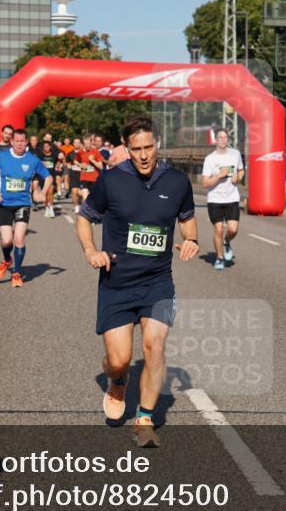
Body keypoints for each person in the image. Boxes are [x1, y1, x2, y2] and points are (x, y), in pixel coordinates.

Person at [76, 115, 198, 448]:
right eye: (136, 149)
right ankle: (117, 383)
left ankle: (144, 417)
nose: (143, 155)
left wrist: (191, 240)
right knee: (119, 361)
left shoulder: (176, 181)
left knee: (154, 346)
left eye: (149, 147)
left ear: (157, 143)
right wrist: (91, 250)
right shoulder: (112, 180)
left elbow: (188, 221)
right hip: (117, 283)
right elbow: (85, 218)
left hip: (158, 282)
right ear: (126, 148)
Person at [0, 128, 52, 287]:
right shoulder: (2, 156)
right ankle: (7, 260)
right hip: (4, 203)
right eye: (17, 141)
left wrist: (42, 192)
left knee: (19, 238)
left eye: (23, 141)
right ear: (12, 142)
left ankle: (17, 272)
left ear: (27, 142)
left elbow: (48, 177)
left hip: (23, 203)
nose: (20, 144)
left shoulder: (32, 159)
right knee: (7, 241)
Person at [201, 128, 244, 270]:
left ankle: (227, 242)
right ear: (216, 140)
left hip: (232, 197)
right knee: (218, 229)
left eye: (225, 137)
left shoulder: (235, 154)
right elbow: (205, 183)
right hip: (215, 199)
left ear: (228, 140)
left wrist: (238, 177)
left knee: (233, 229)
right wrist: (219, 175)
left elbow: (241, 170)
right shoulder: (210, 159)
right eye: (220, 137)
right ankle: (219, 258)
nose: (223, 140)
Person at [76, 134, 105, 210]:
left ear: (91, 143)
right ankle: (87, 213)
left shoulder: (96, 152)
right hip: (84, 177)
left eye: (88, 143)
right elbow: (75, 161)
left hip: (94, 178)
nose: (87, 145)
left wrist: (92, 160)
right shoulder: (80, 152)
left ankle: (92, 211)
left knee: (94, 198)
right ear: (83, 143)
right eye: (85, 144)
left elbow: (101, 166)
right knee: (85, 197)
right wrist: (80, 164)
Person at [36, 139, 64, 218]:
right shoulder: (40, 155)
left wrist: (59, 163)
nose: (46, 148)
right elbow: (36, 161)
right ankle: (46, 208)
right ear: (43, 148)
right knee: (44, 193)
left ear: (50, 147)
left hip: (51, 176)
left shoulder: (54, 154)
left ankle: (51, 208)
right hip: (42, 177)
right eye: (45, 147)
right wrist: (41, 163)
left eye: (48, 146)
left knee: (50, 192)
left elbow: (60, 159)